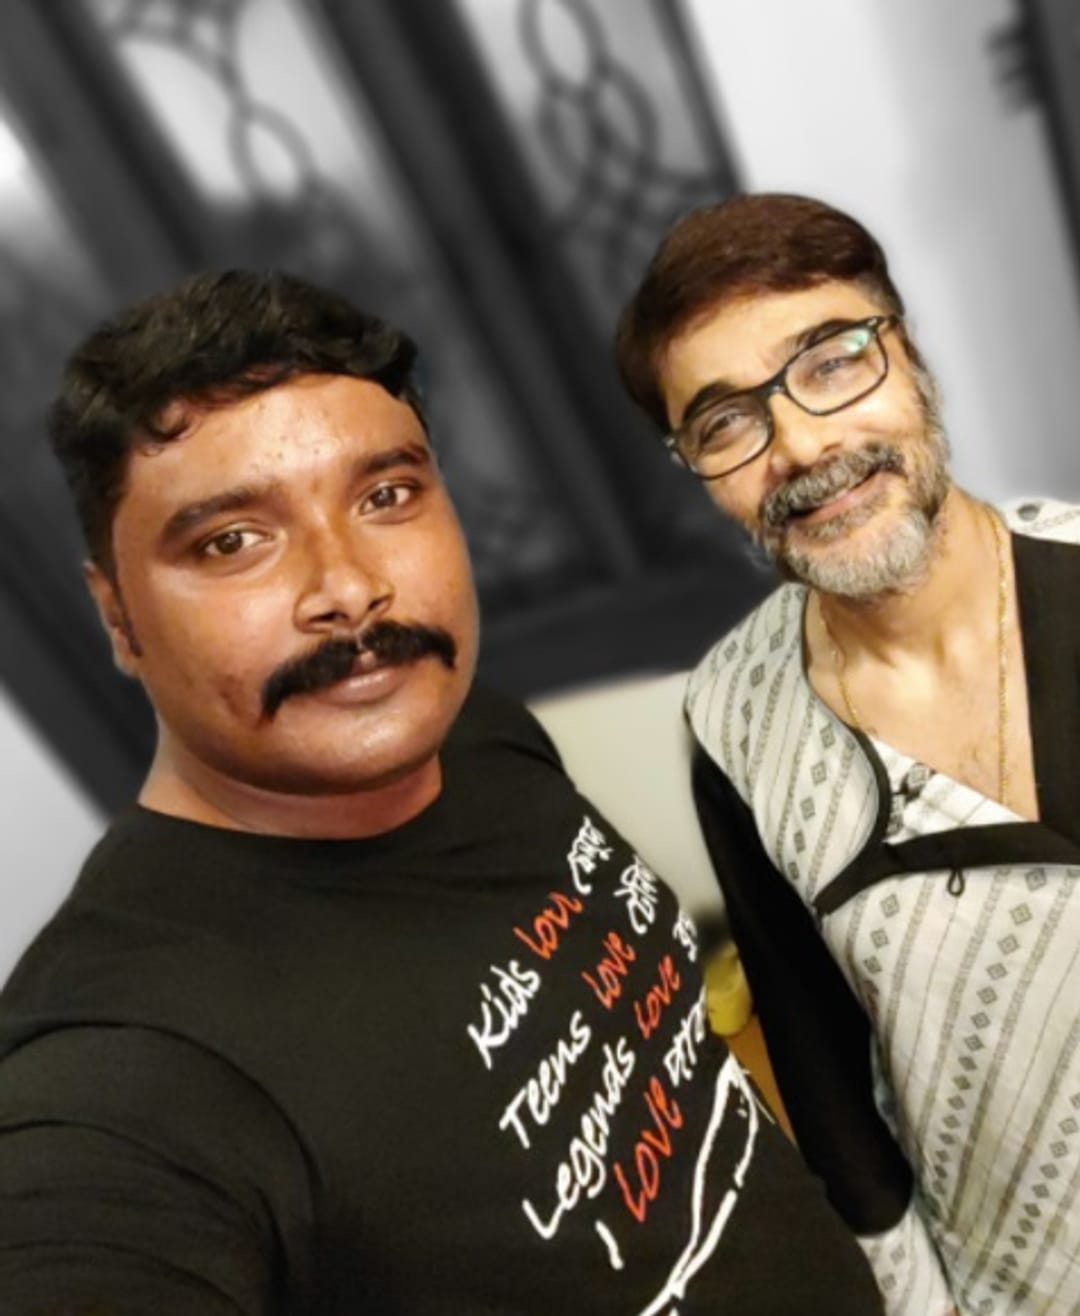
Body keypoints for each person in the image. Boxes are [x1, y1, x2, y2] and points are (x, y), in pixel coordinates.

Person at [0, 270, 882, 1314]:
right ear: (117, 616)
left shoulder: (479, 734)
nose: (348, 587)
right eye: (231, 540)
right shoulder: (119, 1079)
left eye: (385, 496)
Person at [615, 191, 1080, 1315]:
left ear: (908, 357)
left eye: (831, 362)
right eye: (726, 424)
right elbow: (826, 1088)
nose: (804, 445)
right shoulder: (734, 719)